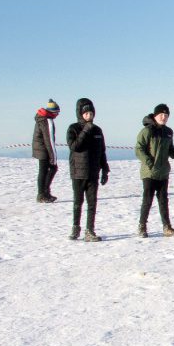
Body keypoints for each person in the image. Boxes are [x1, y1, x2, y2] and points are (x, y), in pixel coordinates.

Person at [134, 103, 174, 238]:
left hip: (163, 172)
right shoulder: (147, 131)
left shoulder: (168, 132)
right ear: (155, 115)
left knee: (163, 200)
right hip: (149, 172)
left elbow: (169, 149)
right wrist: (148, 161)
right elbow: (139, 149)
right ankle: (142, 226)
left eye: (166, 115)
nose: (164, 117)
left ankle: (167, 227)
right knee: (147, 200)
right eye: (161, 114)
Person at [66, 98, 109, 241]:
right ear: (80, 114)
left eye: (91, 113)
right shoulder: (73, 128)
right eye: (86, 113)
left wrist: (105, 169)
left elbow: (102, 151)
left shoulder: (98, 130)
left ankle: (89, 230)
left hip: (93, 172)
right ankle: (75, 228)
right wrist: (85, 130)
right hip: (78, 172)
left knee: (92, 203)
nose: (89, 116)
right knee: (78, 202)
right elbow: (74, 147)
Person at [32, 99, 60, 202]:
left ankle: (44, 193)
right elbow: (49, 141)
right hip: (44, 150)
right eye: (57, 112)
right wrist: (53, 157)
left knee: (44, 171)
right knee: (51, 169)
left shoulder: (41, 118)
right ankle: (43, 194)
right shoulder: (48, 121)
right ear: (53, 112)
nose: (58, 114)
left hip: (39, 148)